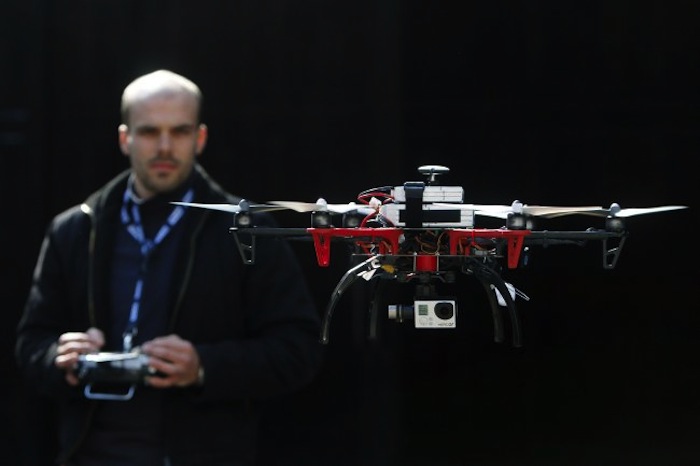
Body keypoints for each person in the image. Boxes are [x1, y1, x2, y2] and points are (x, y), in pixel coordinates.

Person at [15, 69, 324, 466]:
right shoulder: (75, 229)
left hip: (204, 452)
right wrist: (59, 356)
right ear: (125, 139)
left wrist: (203, 366)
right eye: (148, 132)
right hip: (90, 453)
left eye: (179, 132)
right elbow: (30, 344)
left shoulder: (247, 231)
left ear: (200, 138)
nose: (164, 146)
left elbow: (299, 350)